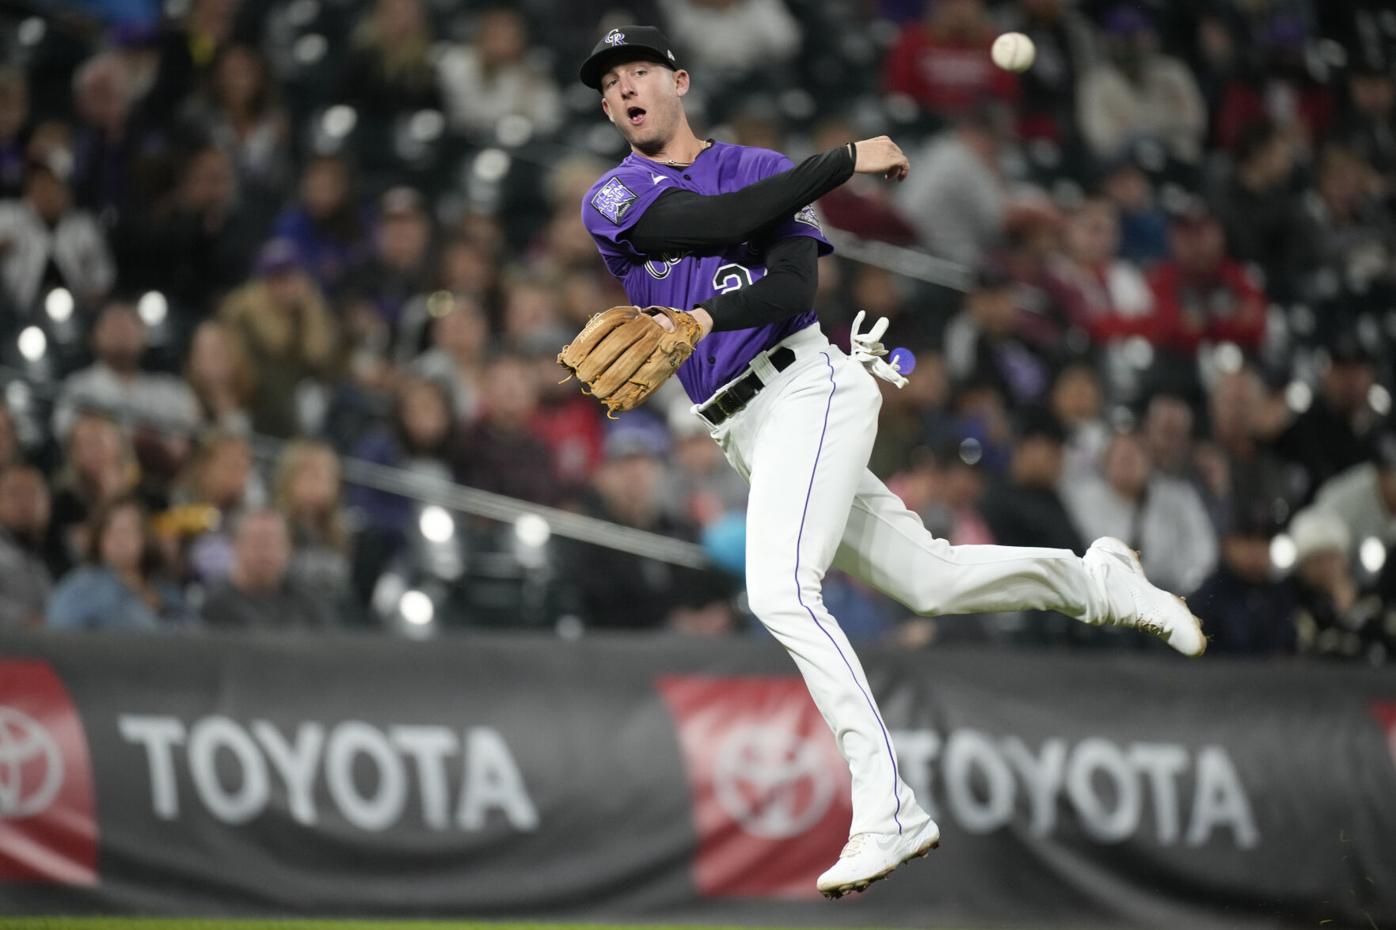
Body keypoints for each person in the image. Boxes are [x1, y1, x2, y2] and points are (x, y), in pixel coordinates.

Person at [574, 25, 1204, 899]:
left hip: (810, 388)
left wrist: (712, 312)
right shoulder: (612, 195)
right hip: (743, 428)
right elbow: (712, 224)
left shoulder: (758, 166)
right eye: (608, 84)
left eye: (639, 70)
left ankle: (887, 808)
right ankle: (1098, 583)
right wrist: (842, 160)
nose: (624, 89)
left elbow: (795, 289)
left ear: (678, 80)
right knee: (932, 581)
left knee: (780, 592)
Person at [47, 496, 187, 630]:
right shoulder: (81, 588)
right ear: (99, 538)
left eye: (128, 530)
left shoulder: (165, 587)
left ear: (144, 537)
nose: (120, 540)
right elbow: (60, 638)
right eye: (112, 531)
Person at [201, 508, 334, 631]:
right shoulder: (216, 604)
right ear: (236, 546)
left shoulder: (309, 601)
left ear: (289, 548)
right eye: (256, 542)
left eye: (272, 543)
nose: (264, 552)